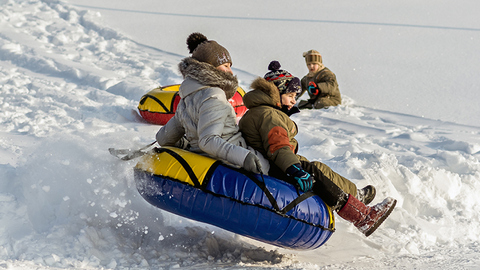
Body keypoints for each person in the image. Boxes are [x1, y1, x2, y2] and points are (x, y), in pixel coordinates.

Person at [238, 61, 396, 237]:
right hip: (274, 169)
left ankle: (355, 195)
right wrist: (295, 169)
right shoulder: (269, 114)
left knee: (317, 167)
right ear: (276, 93)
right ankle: (362, 217)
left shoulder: (264, 112)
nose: (293, 100)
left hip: (273, 164)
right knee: (311, 171)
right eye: (290, 95)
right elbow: (279, 147)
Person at [156, 32, 267, 174]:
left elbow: (163, 138)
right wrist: (245, 157)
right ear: (209, 67)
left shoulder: (187, 99)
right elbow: (208, 141)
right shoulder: (214, 96)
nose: (231, 72)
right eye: (225, 66)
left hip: (203, 164)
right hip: (232, 164)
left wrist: (185, 143)